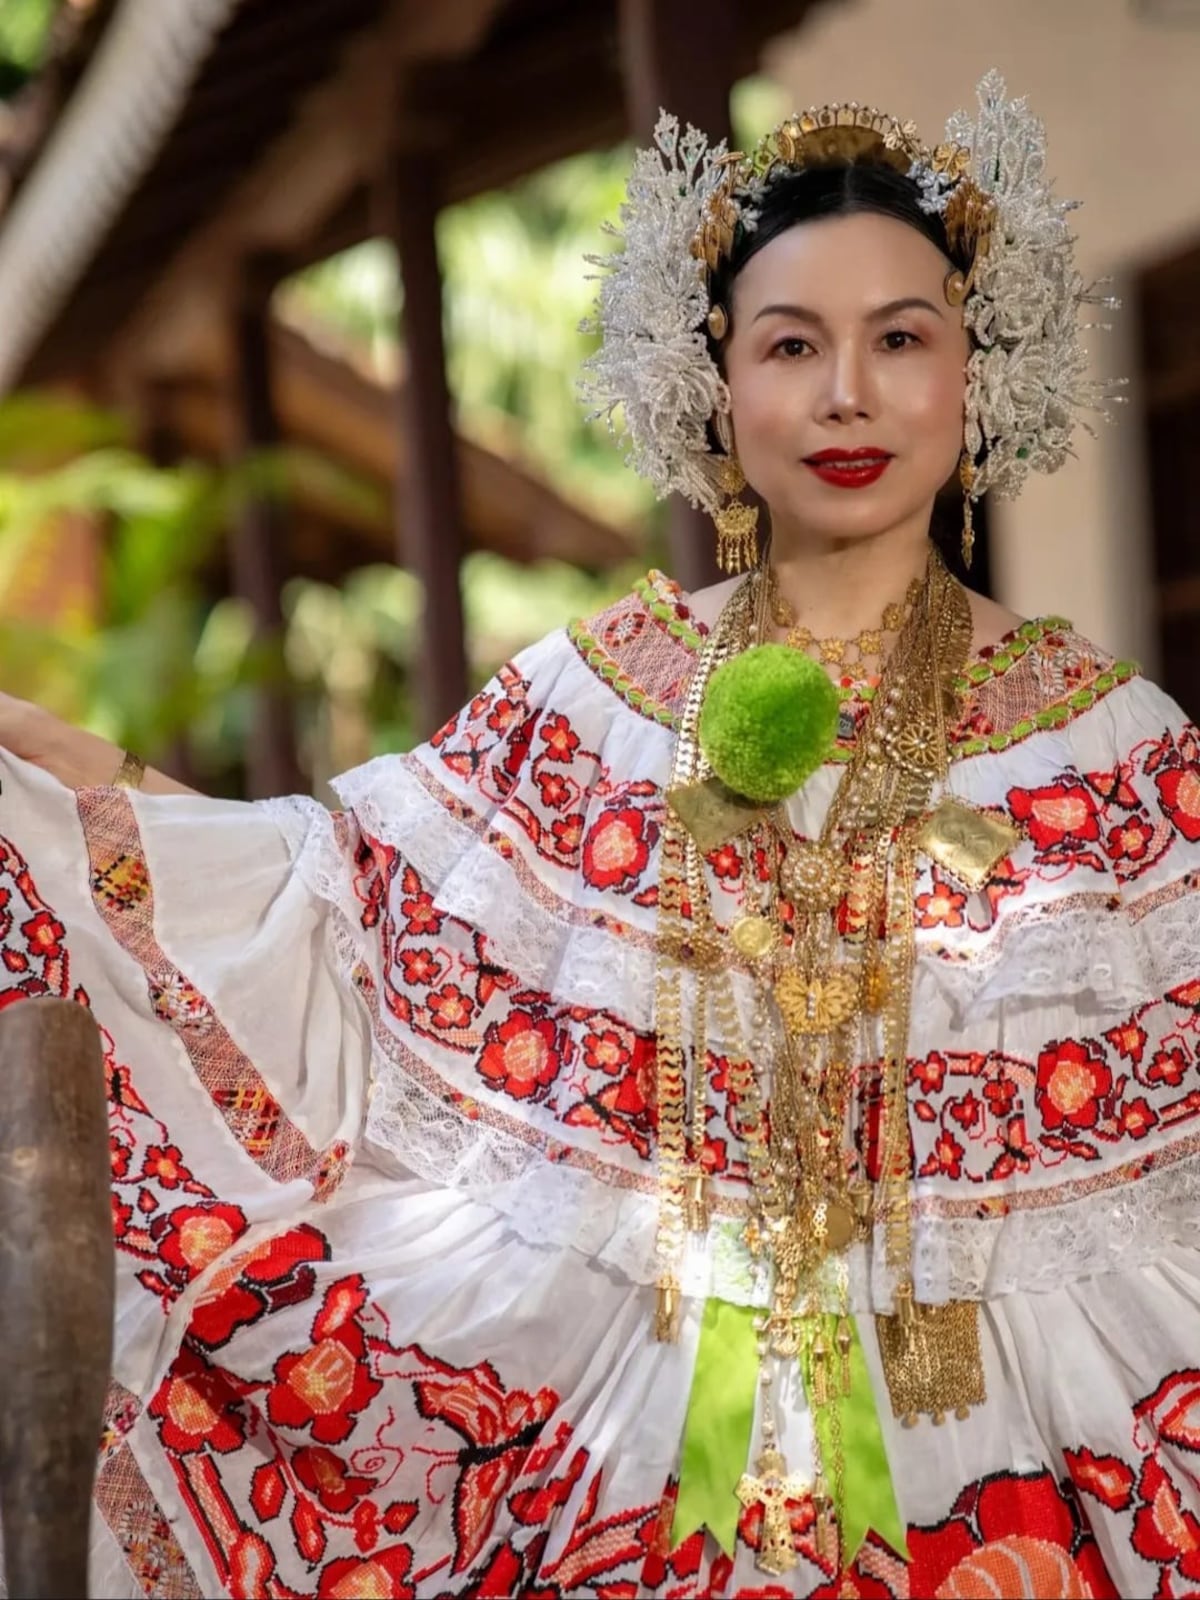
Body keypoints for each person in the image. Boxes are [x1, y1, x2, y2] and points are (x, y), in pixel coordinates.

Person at [0, 67, 1196, 1600]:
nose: (847, 393)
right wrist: (58, 779)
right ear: (714, 382)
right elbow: (334, 905)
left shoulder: (1126, 755)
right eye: (790, 345)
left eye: (902, 338)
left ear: (979, 372)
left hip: (1003, 1447)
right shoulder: (595, 700)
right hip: (652, 1436)